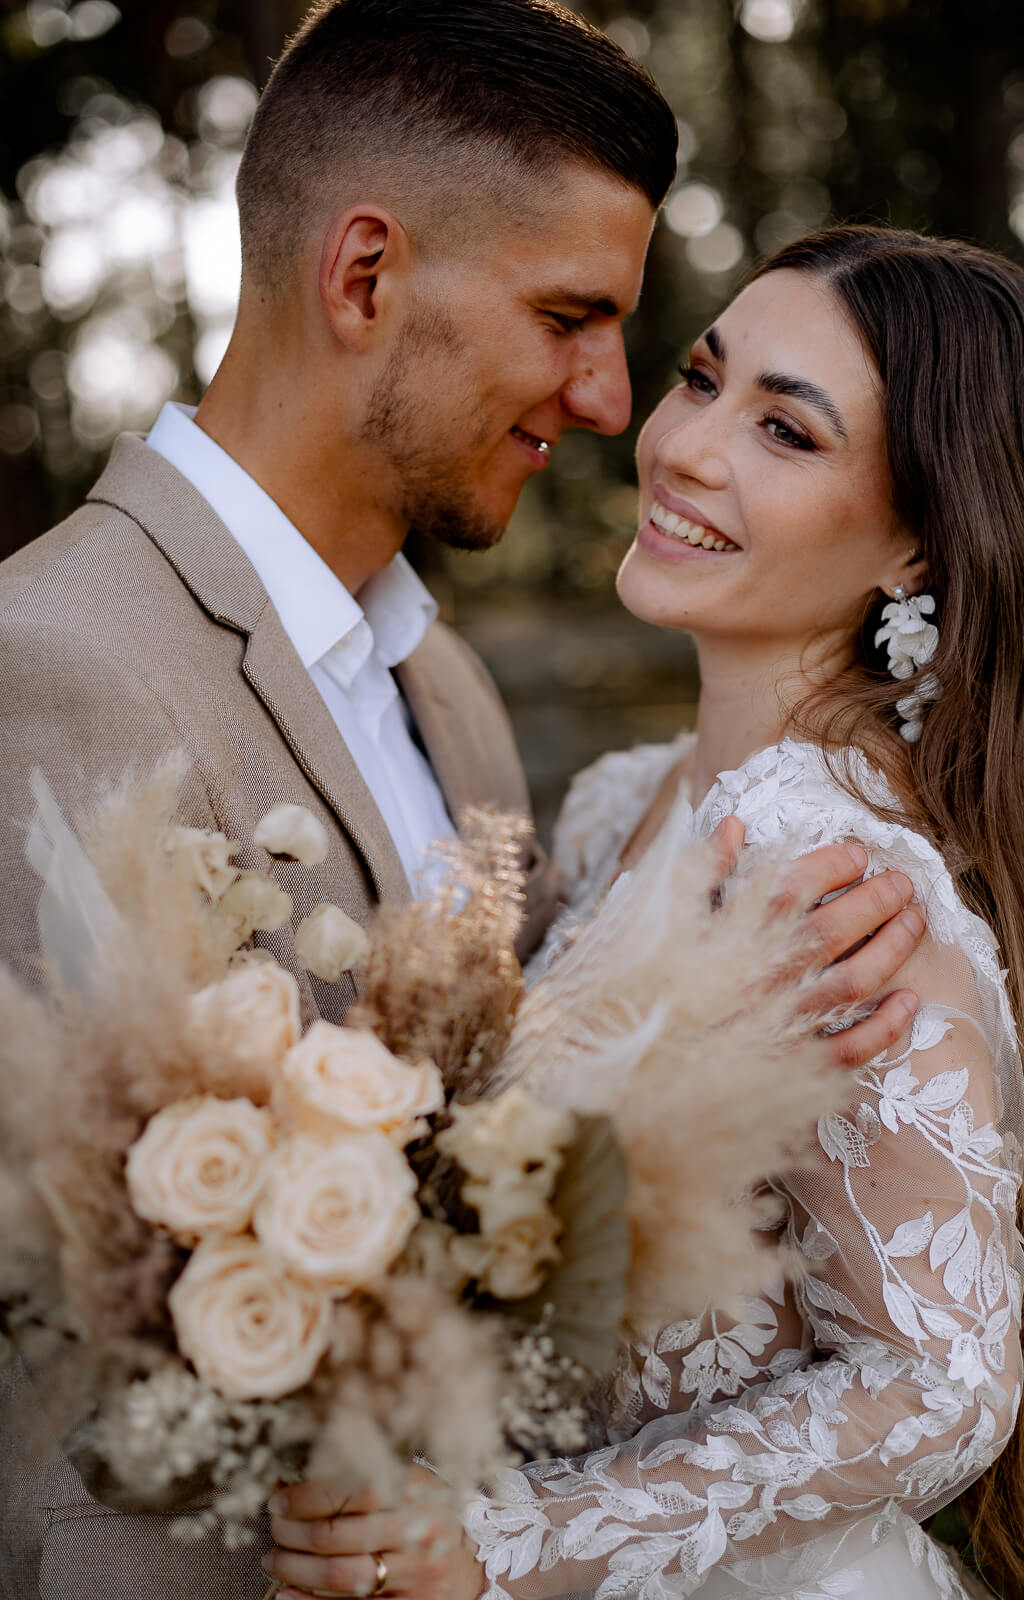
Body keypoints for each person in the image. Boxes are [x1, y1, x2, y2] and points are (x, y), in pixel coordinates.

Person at [0, 8, 924, 1598]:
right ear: (365, 275)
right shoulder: (50, 666)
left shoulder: (449, 688)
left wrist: (727, 1019)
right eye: (570, 317)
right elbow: (78, 1331)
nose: (613, 399)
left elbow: (507, 1173)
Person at [265, 224, 1024, 1600]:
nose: (687, 447)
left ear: (917, 546)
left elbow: (937, 1386)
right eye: (703, 380)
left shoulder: (840, 891)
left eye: (786, 432)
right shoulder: (625, 801)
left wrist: (509, 1545)